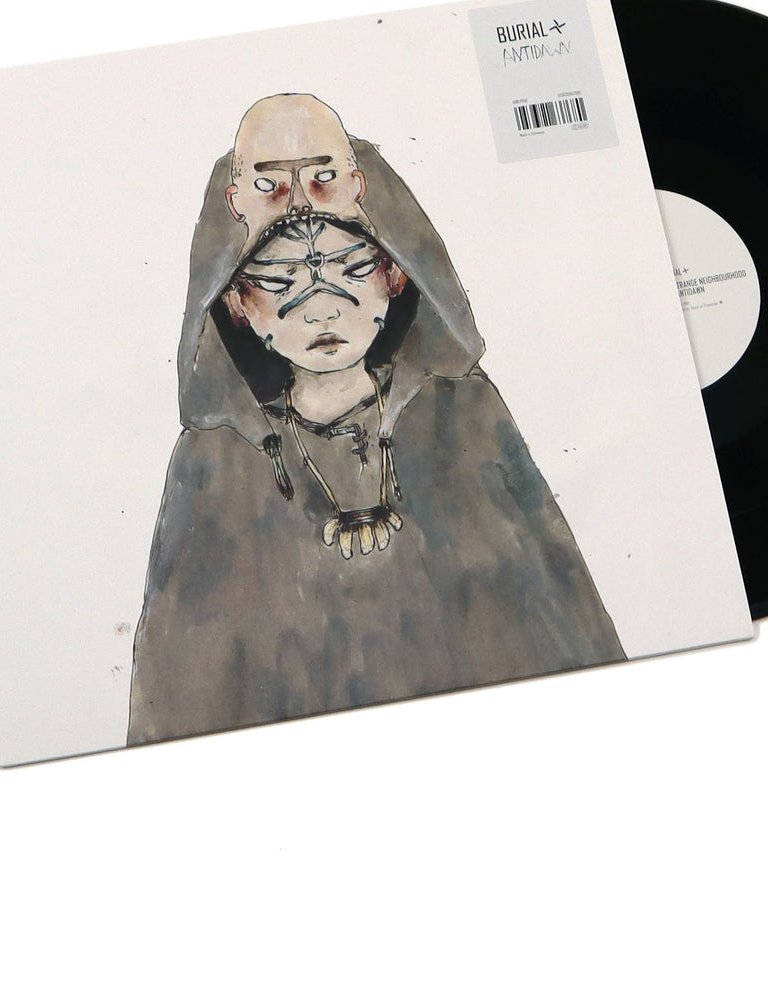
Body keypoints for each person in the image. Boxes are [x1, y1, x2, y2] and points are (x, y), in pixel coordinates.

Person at [127, 94, 624, 746]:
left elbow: (559, 617)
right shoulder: (214, 460)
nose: (321, 308)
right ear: (239, 305)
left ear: (394, 277)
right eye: (279, 282)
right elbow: (185, 678)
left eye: (352, 270)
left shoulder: (462, 413)